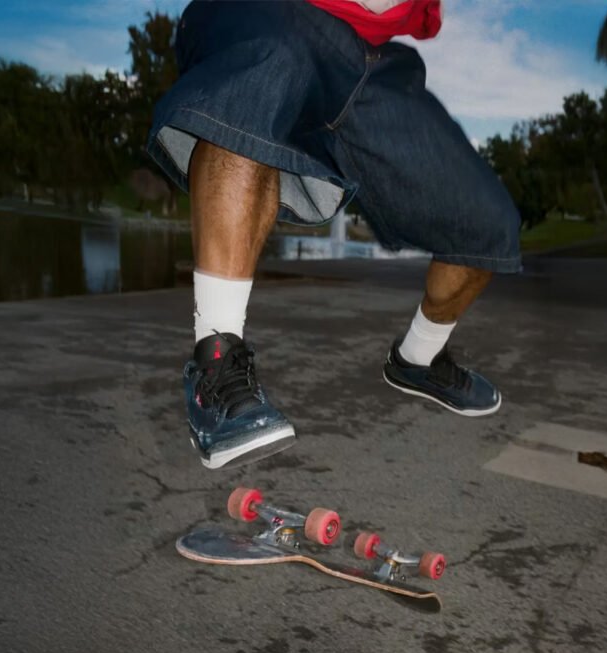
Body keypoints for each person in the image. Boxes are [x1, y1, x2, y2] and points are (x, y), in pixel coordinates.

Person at [146, 0, 522, 469]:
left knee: (488, 226)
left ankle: (418, 359)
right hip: (260, 12)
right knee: (265, 69)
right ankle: (215, 363)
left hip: (371, 60)